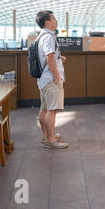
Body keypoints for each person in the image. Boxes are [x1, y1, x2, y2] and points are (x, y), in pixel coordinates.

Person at [35, 11, 68, 149]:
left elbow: (49, 57)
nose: (56, 20)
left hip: (43, 79)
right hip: (50, 79)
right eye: (53, 18)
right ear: (47, 22)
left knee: (44, 109)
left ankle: (46, 136)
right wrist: (56, 76)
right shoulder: (48, 37)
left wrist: (59, 60)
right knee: (51, 110)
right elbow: (49, 57)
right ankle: (51, 140)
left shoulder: (40, 36)